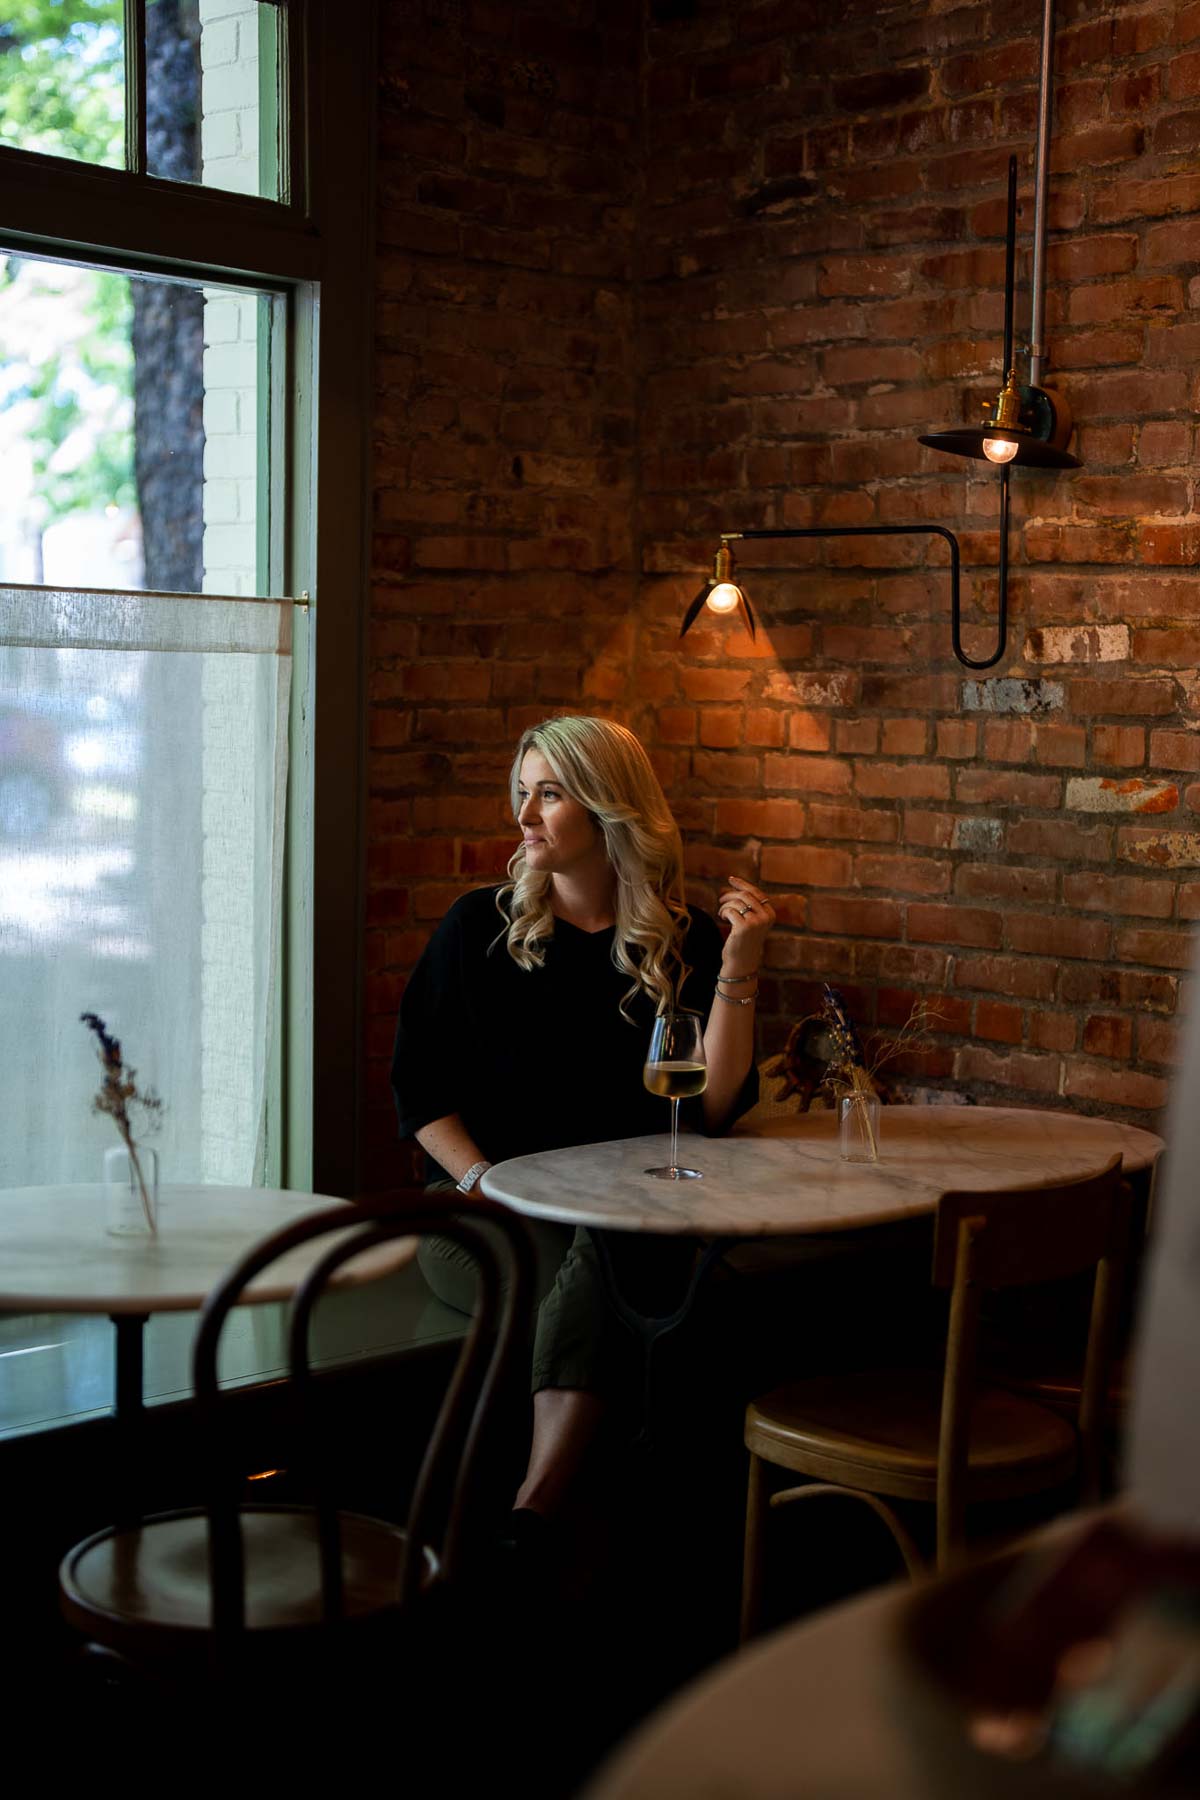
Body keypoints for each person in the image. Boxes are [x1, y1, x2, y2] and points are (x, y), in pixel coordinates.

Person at [391, 713, 773, 1534]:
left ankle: (550, 1525)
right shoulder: (475, 930)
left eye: (550, 794)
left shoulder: (685, 941)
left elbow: (710, 1107)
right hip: (481, 1217)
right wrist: (484, 1181)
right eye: (522, 794)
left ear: (608, 809)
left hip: (629, 1215)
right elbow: (419, 1092)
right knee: (632, 1274)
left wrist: (738, 968)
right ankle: (547, 1514)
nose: (524, 816)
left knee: (627, 1254)